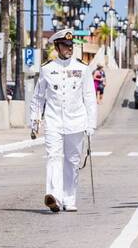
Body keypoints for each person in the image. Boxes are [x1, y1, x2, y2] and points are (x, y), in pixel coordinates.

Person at [29, 29, 97, 213]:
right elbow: (38, 98)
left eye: (70, 45)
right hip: (53, 121)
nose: (69, 48)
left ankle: (69, 198)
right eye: (65, 45)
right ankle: (54, 197)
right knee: (53, 157)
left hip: (76, 121)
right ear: (57, 46)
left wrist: (91, 124)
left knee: (72, 161)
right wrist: (34, 120)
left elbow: (89, 98)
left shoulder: (83, 69)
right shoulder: (47, 69)